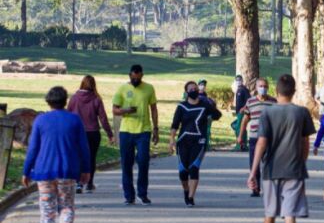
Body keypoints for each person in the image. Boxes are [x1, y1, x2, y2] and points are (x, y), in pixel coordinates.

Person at [249, 74, 316, 223]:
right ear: (293, 91)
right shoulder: (301, 113)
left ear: (276, 92)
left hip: (271, 169)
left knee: (270, 212)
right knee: (290, 214)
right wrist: (301, 162)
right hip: (294, 169)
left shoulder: (268, 114)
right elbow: (305, 143)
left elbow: (261, 142)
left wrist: (253, 172)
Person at [23, 87, 90, 223]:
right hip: (68, 170)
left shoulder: (40, 120)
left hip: (43, 171)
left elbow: (33, 148)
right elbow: (84, 148)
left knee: (47, 210)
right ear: (65, 101)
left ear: (48, 101)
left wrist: (26, 170)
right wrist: (86, 170)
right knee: (66, 204)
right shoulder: (75, 120)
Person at [170, 81, 223, 207]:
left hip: (199, 141)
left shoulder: (205, 105)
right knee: (183, 171)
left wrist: (211, 111)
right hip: (183, 141)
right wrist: (171, 139)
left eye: (195, 88)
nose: (194, 90)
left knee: (194, 168)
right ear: (186, 92)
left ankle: (190, 197)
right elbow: (175, 124)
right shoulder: (182, 107)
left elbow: (217, 115)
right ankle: (186, 190)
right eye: (191, 89)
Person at [112, 64, 159, 205]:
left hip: (144, 130)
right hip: (126, 131)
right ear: (129, 75)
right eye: (133, 79)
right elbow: (115, 110)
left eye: (137, 79)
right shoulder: (122, 88)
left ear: (142, 76)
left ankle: (142, 193)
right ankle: (129, 195)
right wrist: (125, 110)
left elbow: (154, 109)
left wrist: (156, 128)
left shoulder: (149, 88)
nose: (135, 81)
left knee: (144, 161)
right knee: (126, 164)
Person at [68, 75, 114, 193]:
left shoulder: (74, 98)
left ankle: (78, 183)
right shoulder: (96, 99)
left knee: (78, 158)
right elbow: (103, 118)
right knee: (91, 158)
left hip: (77, 133)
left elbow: (68, 115)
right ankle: (89, 183)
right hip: (93, 133)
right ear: (94, 85)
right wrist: (109, 133)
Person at [238, 78, 277, 197]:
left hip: (269, 138)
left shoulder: (273, 102)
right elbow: (245, 120)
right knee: (253, 164)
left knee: (269, 164)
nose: (263, 88)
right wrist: (240, 135)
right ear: (256, 88)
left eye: (265, 86)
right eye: (260, 86)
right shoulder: (250, 102)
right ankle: (255, 188)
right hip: (254, 137)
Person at [233, 75, 251, 151]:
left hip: (243, 112)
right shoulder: (238, 89)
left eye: (239, 80)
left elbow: (249, 100)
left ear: (242, 80)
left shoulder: (244, 89)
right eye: (237, 80)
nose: (238, 81)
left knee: (238, 128)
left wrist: (243, 108)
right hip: (238, 112)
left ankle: (239, 145)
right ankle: (243, 145)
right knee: (240, 127)